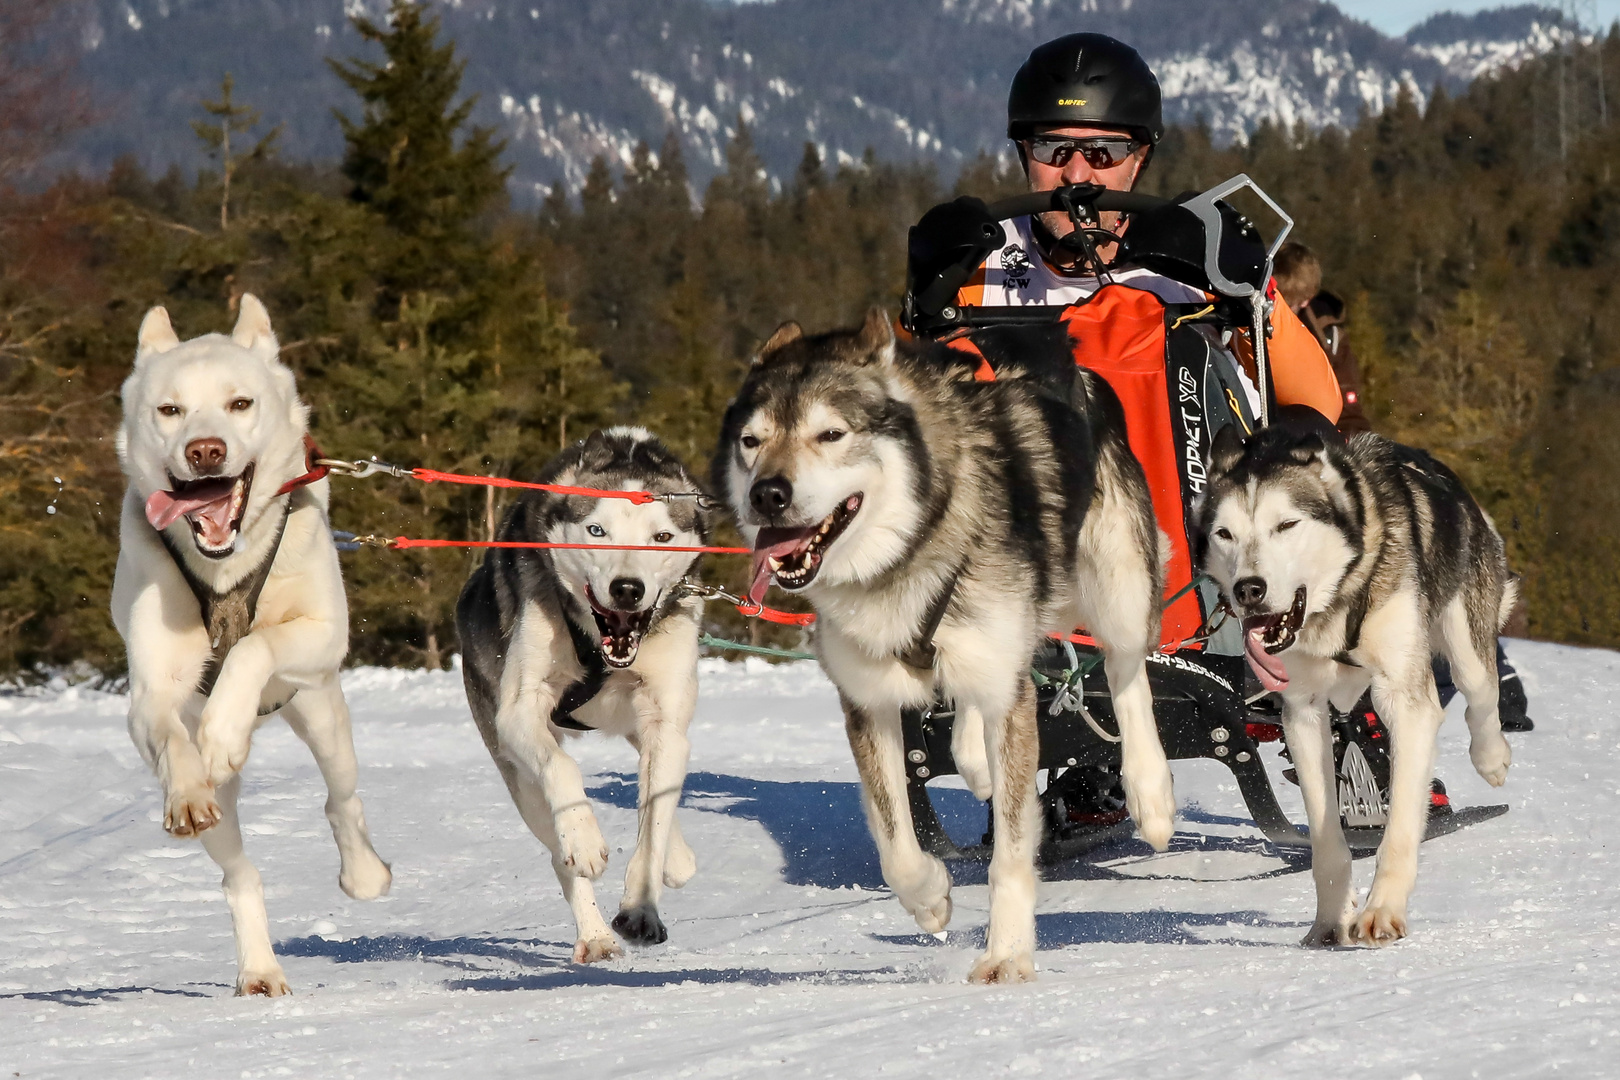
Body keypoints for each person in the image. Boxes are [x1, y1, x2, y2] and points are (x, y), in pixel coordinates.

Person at [1272, 242, 1534, 732]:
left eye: (1297, 301)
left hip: (1342, 454)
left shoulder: (1326, 331)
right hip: (1291, 468)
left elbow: (1346, 409)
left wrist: (1368, 459)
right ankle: (1375, 709)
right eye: (1283, 301)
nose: (1291, 309)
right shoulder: (1254, 328)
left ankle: (1484, 664)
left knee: (1431, 529)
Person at [1272, 241, 1372, 435]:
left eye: (1289, 305)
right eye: (1276, 302)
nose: (1281, 313)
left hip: (1313, 433)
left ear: (1306, 300)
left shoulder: (1329, 336)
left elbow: (1348, 410)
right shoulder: (1243, 323)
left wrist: (1356, 444)